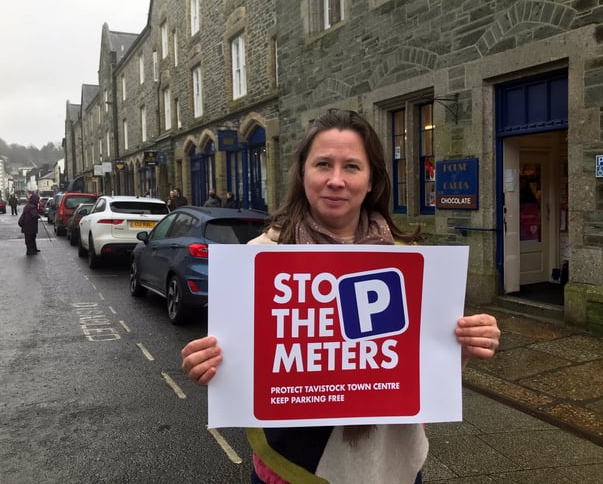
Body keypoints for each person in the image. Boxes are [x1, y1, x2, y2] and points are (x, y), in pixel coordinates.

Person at [181, 109, 500, 484]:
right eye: (322, 164)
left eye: (351, 166)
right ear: (302, 174)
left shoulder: (407, 260)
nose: (336, 180)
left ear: (371, 181)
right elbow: (242, 365)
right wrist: (208, 364)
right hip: (294, 470)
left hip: (392, 466)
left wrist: (463, 344)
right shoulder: (258, 258)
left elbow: (424, 368)